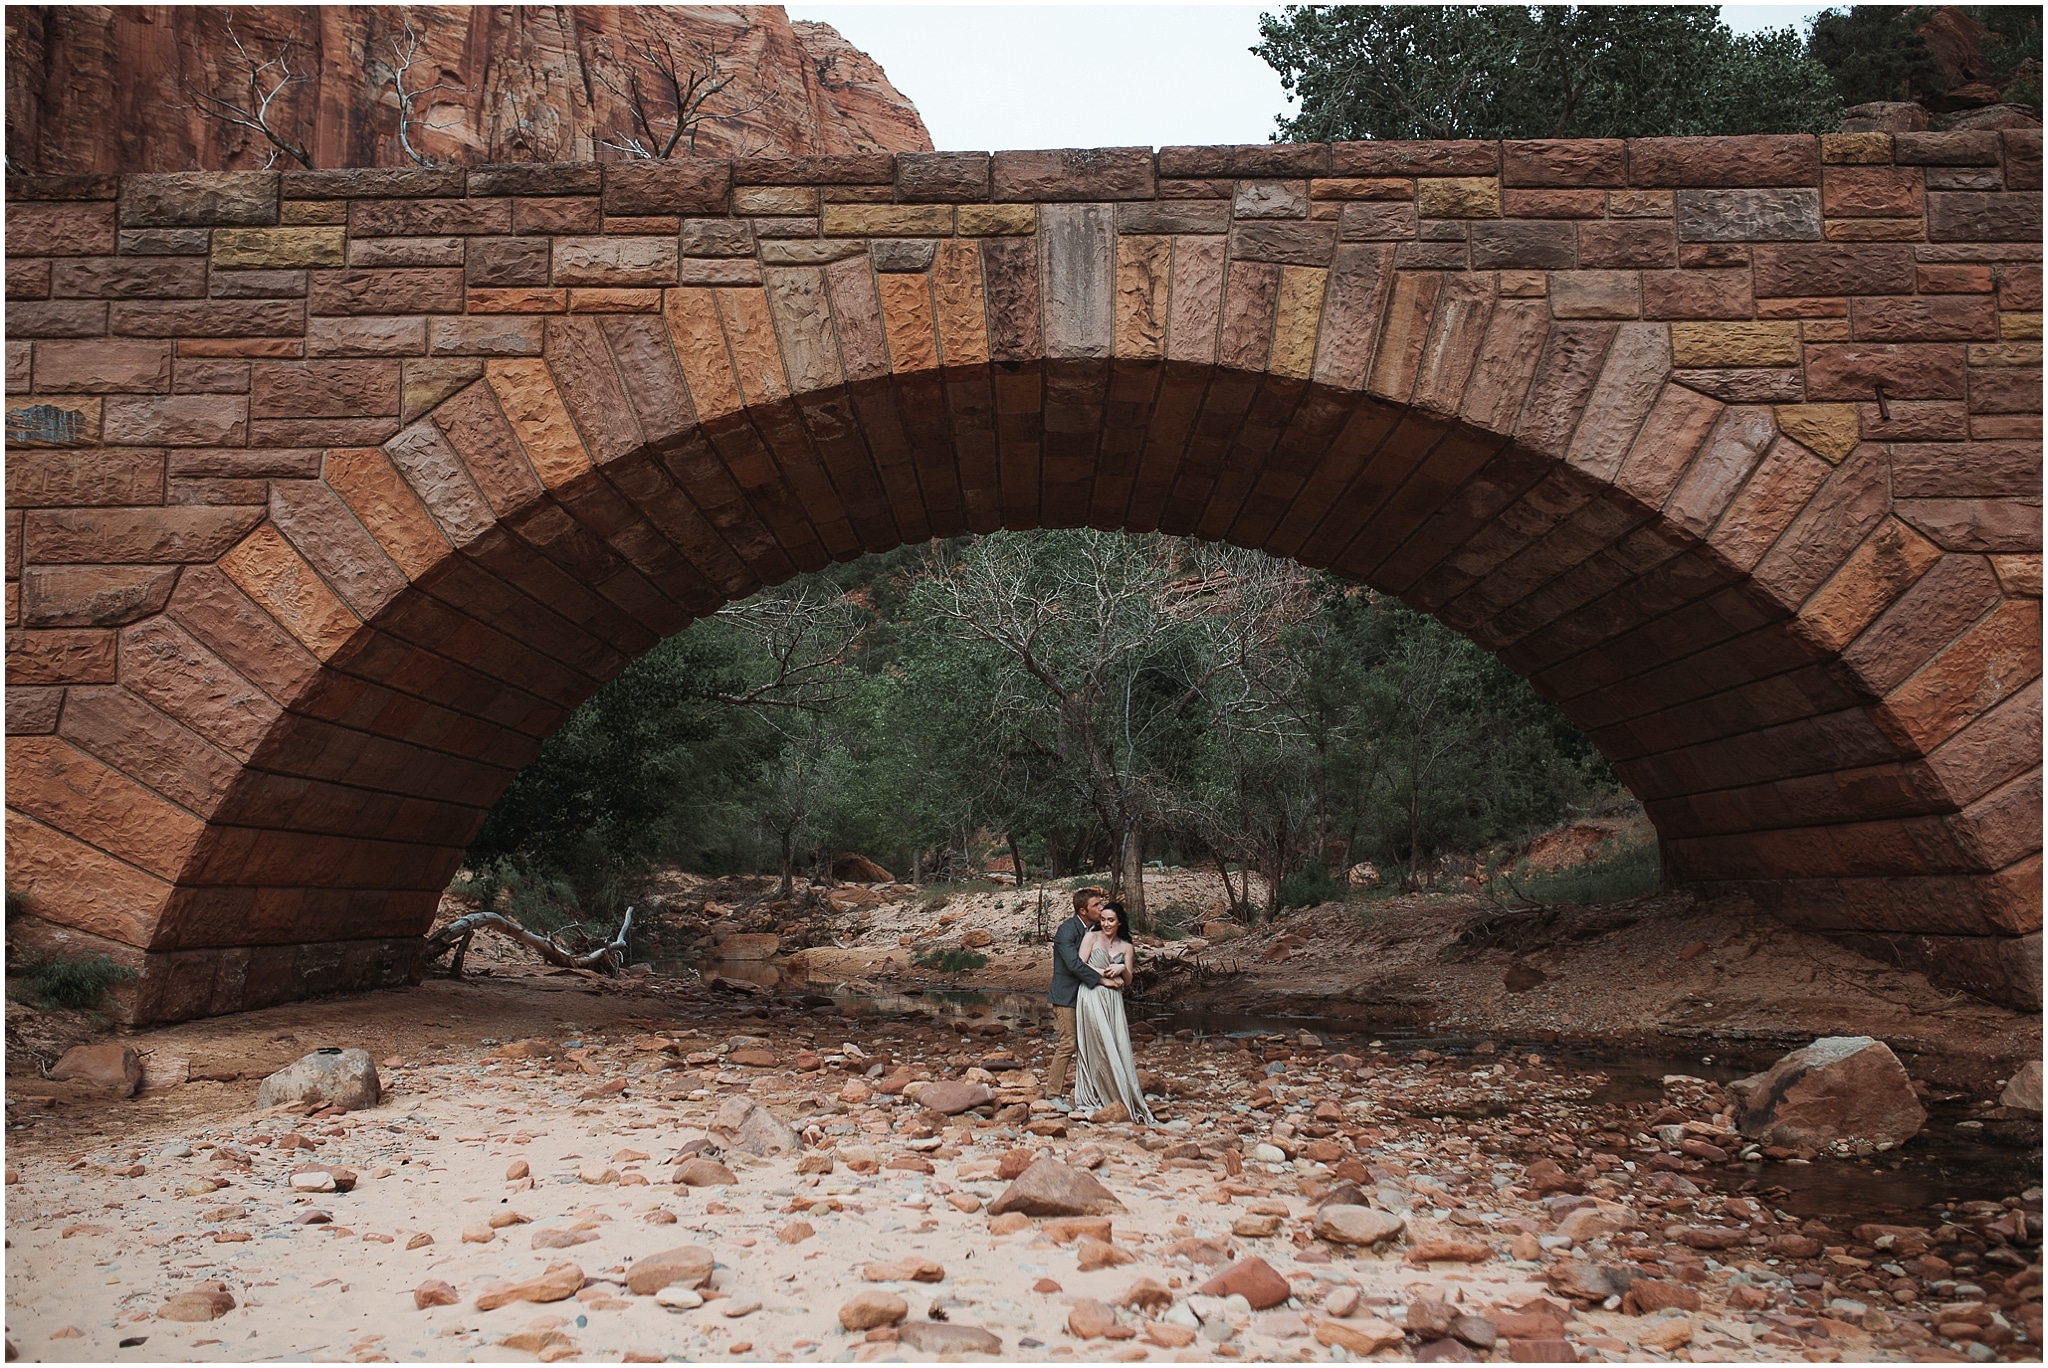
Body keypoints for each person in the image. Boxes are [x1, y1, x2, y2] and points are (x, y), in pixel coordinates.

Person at [1073, 900, 1155, 1125]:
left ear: (1119, 922)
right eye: (1103, 920)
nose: (1106, 924)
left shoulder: (1127, 946)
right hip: (1091, 994)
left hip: (1114, 999)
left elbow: (1128, 980)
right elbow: (1079, 964)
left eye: (1111, 920)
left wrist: (1122, 969)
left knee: (1117, 1043)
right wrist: (1101, 972)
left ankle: (1119, 1092)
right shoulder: (1091, 937)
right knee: (1099, 1043)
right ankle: (1095, 1092)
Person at [1044, 885, 1105, 1111]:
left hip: (1089, 996)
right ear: (1082, 911)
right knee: (1069, 1042)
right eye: (1096, 905)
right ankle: (1052, 1094)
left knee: (1091, 1043)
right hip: (1066, 996)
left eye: (1100, 904)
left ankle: (1090, 1092)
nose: (1101, 908)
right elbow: (1073, 964)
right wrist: (1101, 979)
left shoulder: (1099, 928)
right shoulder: (1066, 931)